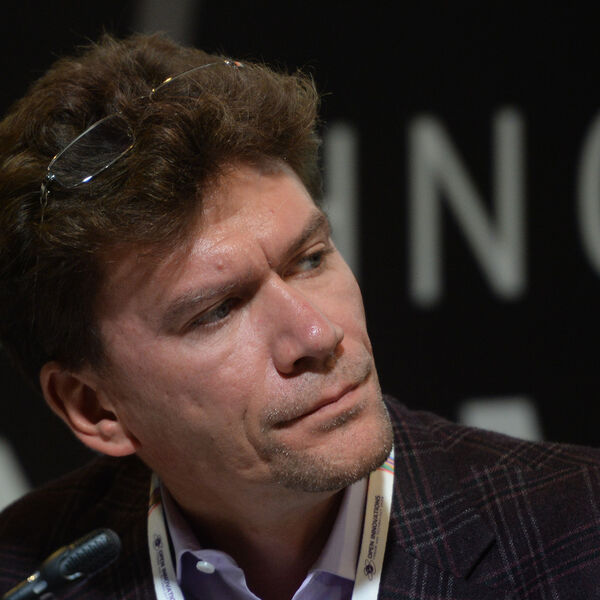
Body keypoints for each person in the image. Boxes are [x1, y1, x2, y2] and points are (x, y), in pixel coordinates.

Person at [0, 33, 599, 600]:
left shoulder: (581, 534)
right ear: (95, 407)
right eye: (218, 310)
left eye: (310, 260)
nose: (317, 334)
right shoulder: (22, 576)